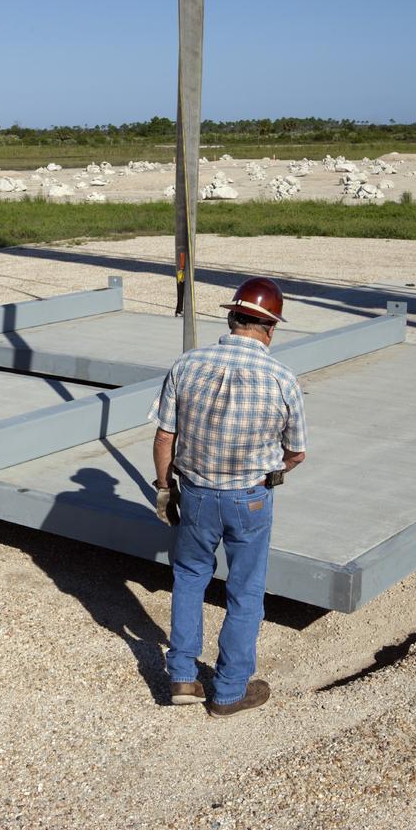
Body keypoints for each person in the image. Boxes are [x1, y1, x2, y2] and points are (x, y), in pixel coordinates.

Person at [150, 277, 307, 718]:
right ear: (271, 328)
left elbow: (165, 438)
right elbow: (297, 451)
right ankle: (229, 691)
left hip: (197, 495)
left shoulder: (187, 365)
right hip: (250, 498)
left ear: (230, 317)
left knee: (189, 578)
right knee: (245, 591)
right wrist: (273, 471)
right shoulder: (281, 377)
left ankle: (182, 675)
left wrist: (165, 489)